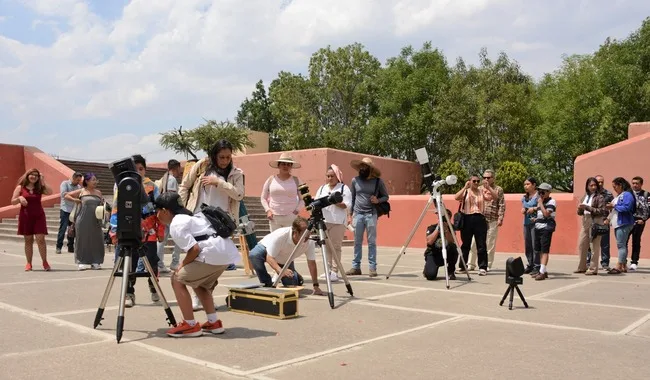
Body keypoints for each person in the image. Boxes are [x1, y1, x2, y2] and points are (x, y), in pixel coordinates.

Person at [154, 192, 240, 338]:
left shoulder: (176, 223)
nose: (156, 215)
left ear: (165, 211)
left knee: (176, 279)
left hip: (211, 253)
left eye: (157, 211)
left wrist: (182, 264)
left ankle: (190, 325)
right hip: (226, 254)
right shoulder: (191, 217)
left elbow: (194, 249)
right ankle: (213, 322)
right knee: (200, 284)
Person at [109, 154, 165, 307]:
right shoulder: (122, 185)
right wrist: (114, 231)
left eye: (141, 169)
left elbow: (159, 209)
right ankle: (129, 293)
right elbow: (116, 208)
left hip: (149, 232)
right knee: (129, 263)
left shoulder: (152, 186)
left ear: (145, 170)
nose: (138, 172)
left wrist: (160, 230)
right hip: (127, 231)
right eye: (135, 169)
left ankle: (154, 286)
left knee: (152, 261)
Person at [248, 216, 323, 295]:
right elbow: (269, 257)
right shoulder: (281, 235)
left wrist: (316, 285)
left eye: (309, 233)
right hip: (266, 250)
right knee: (254, 254)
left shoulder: (309, 241)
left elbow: (311, 263)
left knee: (291, 284)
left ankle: (296, 276)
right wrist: (280, 270)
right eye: (304, 234)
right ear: (295, 232)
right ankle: (266, 284)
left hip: (285, 259)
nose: (307, 237)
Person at [346, 157, 389, 277]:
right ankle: (356, 267)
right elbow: (352, 199)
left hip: (371, 214)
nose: (362, 169)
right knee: (357, 242)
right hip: (358, 215)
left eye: (365, 167)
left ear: (370, 168)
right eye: (361, 167)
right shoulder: (355, 181)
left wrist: (377, 200)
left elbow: (386, 196)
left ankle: (372, 267)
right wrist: (350, 214)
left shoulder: (377, 182)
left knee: (371, 242)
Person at [314, 164, 352, 282]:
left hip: (337, 221)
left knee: (336, 247)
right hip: (324, 221)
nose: (330, 178)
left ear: (337, 176)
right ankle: (327, 270)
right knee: (325, 247)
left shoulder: (343, 188)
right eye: (328, 176)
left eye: (332, 176)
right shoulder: (322, 188)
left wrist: (333, 201)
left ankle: (335, 271)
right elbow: (317, 202)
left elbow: (346, 205)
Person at [11, 168, 53, 271]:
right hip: (26, 216)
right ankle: (29, 263)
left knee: (40, 239)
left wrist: (43, 180)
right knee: (28, 240)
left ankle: (45, 262)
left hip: (39, 216)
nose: (33, 177)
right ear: (27, 175)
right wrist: (19, 199)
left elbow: (50, 192)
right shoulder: (20, 187)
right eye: (31, 174)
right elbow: (13, 202)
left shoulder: (39, 187)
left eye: (36, 175)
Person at [65, 173, 105, 270]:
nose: (95, 182)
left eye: (96, 180)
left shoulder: (98, 192)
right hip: (82, 219)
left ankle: (96, 261)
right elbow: (66, 195)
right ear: (87, 181)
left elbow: (102, 204)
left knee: (97, 240)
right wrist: (75, 200)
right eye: (93, 180)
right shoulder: (82, 191)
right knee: (82, 240)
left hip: (96, 219)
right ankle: (81, 261)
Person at [423, 209, 458, 281]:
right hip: (434, 254)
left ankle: (450, 272)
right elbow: (429, 241)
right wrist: (438, 228)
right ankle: (428, 269)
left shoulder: (451, 228)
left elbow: (451, 241)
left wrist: (446, 230)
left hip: (446, 253)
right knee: (430, 276)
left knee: (453, 247)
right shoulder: (432, 227)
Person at [531, 183, 556, 280]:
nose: (540, 193)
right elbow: (541, 214)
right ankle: (543, 270)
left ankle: (541, 272)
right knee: (540, 250)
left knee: (545, 250)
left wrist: (540, 203)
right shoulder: (541, 201)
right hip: (538, 227)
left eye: (543, 191)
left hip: (546, 228)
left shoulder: (552, 202)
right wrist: (536, 219)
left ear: (548, 192)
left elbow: (546, 214)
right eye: (539, 191)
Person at [56, 172, 82, 254]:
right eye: (77, 180)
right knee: (63, 229)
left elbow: (79, 196)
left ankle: (70, 247)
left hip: (74, 210)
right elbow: (64, 195)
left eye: (80, 180)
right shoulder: (65, 184)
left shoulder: (78, 187)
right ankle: (58, 247)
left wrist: (73, 197)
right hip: (65, 209)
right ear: (73, 178)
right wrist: (74, 199)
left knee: (72, 229)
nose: (79, 182)